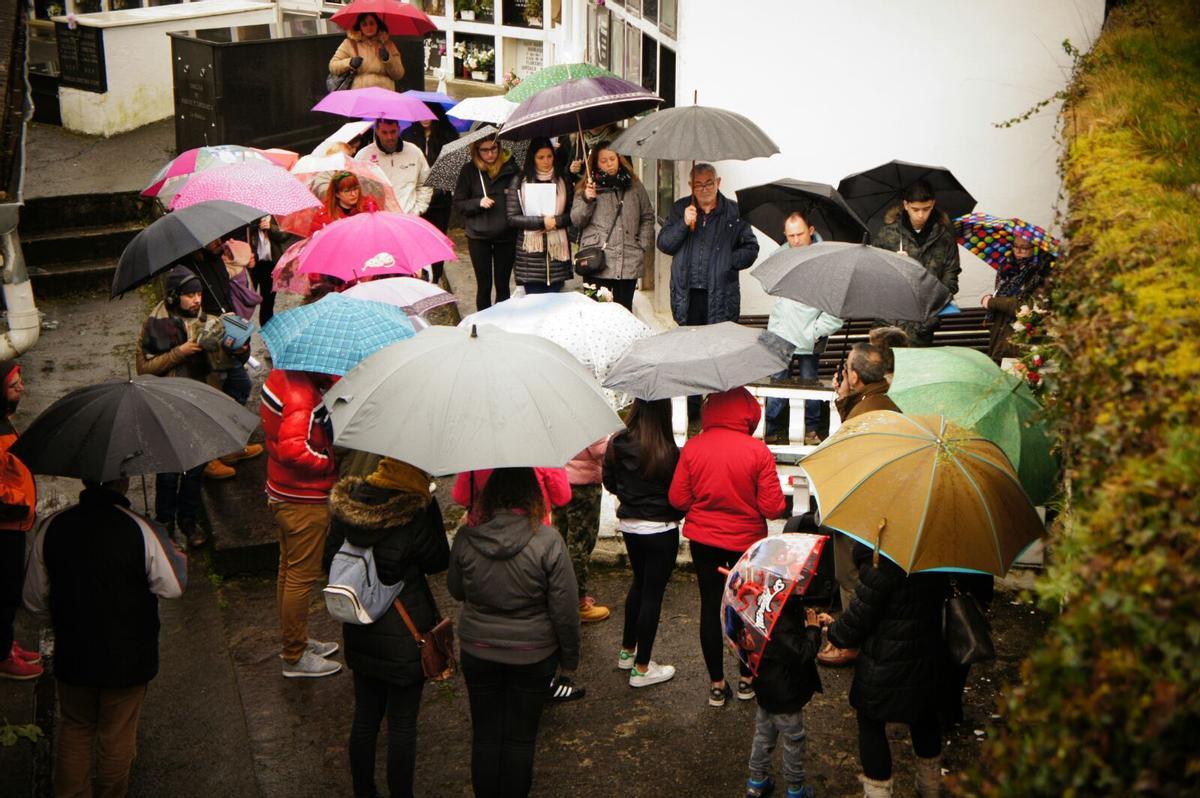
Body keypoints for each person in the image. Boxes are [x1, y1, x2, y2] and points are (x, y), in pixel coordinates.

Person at [23, 476, 186, 796]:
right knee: (116, 732)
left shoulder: (53, 526)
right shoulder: (141, 528)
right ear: (124, 480)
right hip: (129, 654)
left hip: (74, 649)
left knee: (76, 726)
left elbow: (33, 600)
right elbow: (172, 587)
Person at [447, 467, 582, 797]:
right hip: (533, 654)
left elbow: (456, 589)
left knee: (486, 735)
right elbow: (565, 609)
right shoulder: (549, 541)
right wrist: (569, 659)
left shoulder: (467, 537)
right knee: (521, 738)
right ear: (533, 495)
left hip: (478, 649)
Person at [326, 458, 449, 798]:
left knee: (365, 717)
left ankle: (364, 791)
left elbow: (329, 561)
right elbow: (439, 561)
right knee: (402, 724)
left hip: (361, 624)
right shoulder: (416, 510)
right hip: (406, 632)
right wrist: (431, 509)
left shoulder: (349, 503)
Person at [669, 387, 787, 706]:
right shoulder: (757, 451)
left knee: (710, 606)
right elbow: (773, 507)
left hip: (704, 542)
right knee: (747, 608)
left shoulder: (693, 448)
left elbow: (678, 499)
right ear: (748, 414)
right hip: (747, 545)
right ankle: (747, 679)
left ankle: (717, 685)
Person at [824, 545, 947, 798]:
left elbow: (856, 622)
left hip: (882, 665)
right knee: (923, 718)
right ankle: (930, 787)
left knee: (871, 722)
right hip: (925, 659)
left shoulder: (882, 564)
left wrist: (832, 630)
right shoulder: (937, 558)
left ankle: (879, 793)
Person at [818, 343, 901, 669]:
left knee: (852, 575)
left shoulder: (868, 414)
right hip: (872, 505)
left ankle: (851, 644)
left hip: (860, 508)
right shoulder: (875, 400)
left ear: (856, 376)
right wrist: (843, 399)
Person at [657, 164, 759, 421]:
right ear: (691, 186)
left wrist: (727, 261)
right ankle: (692, 410)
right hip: (688, 295)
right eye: (699, 184)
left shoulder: (733, 212)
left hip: (721, 295)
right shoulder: (681, 208)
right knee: (690, 353)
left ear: (719, 182)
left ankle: (717, 409)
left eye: (709, 183)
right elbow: (665, 245)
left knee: (718, 353)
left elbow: (751, 247)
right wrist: (684, 223)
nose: (704, 189)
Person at [261, 368, 342, 679]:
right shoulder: (301, 394)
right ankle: (294, 656)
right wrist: (328, 464)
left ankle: (296, 641)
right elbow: (294, 449)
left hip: (282, 491)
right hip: (303, 499)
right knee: (300, 577)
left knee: (288, 570)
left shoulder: (282, 376)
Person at [135, 266, 219, 546]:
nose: (196, 300)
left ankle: (189, 521)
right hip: (167, 403)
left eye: (199, 294)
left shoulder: (206, 321)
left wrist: (235, 347)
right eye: (189, 295)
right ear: (173, 297)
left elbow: (225, 365)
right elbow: (145, 368)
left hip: (199, 400)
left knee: (195, 469)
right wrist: (178, 353)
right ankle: (165, 524)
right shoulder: (155, 325)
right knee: (169, 471)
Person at [602, 398, 681, 689]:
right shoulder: (669, 451)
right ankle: (643, 667)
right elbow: (679, 493)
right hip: (661, 527)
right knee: (652, 594)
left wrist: (629, 496)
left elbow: (608, 480)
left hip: (630, 525)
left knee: (639, 583)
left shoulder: (618, 442)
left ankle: (627, 650)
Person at [764, 212, 845, 445]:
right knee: (776, 384)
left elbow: (836, 308)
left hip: (808, 336)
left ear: (811, 230)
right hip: (781, 333)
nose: (796, 240)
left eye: (799, 234)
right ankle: (769, 428)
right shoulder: (784, 255)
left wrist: (815, 331)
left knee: (810, 384)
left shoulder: (827, 261)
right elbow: (769, 279)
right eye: (790, 236)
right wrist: (785, 250)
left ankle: (811, 430)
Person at [743, 599, 823, 798]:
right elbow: (802, 653)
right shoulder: (779, 617)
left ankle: (756, 781)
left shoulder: (754, 607)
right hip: (786, 692)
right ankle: (795, 789)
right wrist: (812, 630)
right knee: (794, 741)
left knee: (763, 735)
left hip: (764, 688)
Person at [568, 141, 656, 311]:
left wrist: (642, 245)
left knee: (624, 314)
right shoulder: (586, 187)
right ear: (595, 163)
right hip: (596, 263)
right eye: (603, 160)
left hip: (628, 262)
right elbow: (576, 220)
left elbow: (647, 216)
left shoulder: (635, 185)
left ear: (619, 159)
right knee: (596, 315)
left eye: (612, 159)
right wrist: (588, 199)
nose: (609, 164)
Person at [872, 180, 960, 346]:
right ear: (905, 205)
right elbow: (872, 275)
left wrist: (930, 316)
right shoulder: (887, 235)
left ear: (933, 204)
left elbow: (950, 280)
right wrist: (895, 265)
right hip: (888, 323)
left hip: (923, 325)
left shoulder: (945, 238)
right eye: (915, 209)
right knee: (886, 371)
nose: (921, 215)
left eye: (926, 209)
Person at [0, 361, 42, 680]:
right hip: (5, 525)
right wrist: (21, 502)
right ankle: (3, 657)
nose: (22, 388)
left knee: (10, 590)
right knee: (4, 592)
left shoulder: (4, 421)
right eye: (15, 385)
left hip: (14, 523)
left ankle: (6, 644)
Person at [453, 136, 520, 310]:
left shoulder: (510, 168)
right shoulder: (469, 171)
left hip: (505, 235)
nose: (490, 154)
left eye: (493, 149)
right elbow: (459, 203)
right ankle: (483, 323)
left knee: (503, 284)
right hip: (478, 236)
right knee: (484, 285)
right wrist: (477, 203)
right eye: (484, 150)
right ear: (476, 151)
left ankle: (503, 321)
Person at [555, 439, 611, 624]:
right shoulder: (588, 416)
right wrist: (611, 438)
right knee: (580, 543)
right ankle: (578, 602)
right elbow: (599, 450)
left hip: (561, 480)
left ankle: (559, 596)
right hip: (583, 485)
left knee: (560, 540)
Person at [507, 138, 572, 295]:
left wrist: (555, 221)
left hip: (557, 255)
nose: (546, 161)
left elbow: (572, 214)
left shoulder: (562, 180)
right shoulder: (520, 181)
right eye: (540, 157)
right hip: (530, 258)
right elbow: (512, 217)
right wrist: (542, 222)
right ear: (532, 158)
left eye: (549, 156)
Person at [402, 110, 460, 284]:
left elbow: (455, 167)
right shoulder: (408, 136)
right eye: (421, 114)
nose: (424, 118)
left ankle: (436, 276)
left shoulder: (448, 135)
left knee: (437, 238)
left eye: (428, 113)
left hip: (440, 197)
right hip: (418, 196)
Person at [981, 232, 1052, 362]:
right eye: (1015, 246)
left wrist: (992, 302)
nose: (1018, 250)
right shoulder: (1006, 269)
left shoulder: (1041, 274)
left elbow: (1026, 308)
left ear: (1034, 249)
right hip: (999, 337)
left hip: (1022, 340)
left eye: (1024, 247)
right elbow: (1002, 296)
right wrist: (994, 297)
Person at [356, 120, 433, 217]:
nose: (390, 137)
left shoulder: (414, 151)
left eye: (393, 132)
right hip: (377, 219)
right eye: (384, 132)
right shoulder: (364, 155)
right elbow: (356, 187)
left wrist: (418, 209)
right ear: (377, 131)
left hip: (408, 218)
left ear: (399, 129)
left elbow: (425, 183)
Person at [328, 13, 405, 91]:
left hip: (384, 95)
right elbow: (333, 66)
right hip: (360, 95)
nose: (369, 27)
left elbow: (399, 74)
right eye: (364, 24)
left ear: (377, 25)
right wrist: (350, 63)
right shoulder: (350, 44)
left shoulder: (388, 44)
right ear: (360, 27)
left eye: (372, 23)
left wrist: (388, 60)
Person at [250, 216, 294, 327]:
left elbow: (285, 235)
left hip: (270, 264)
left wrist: (271, 227)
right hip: (251, 264)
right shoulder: (248, 216)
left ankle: (266, 335)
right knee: (246, 301)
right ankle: (243, 339)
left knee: (268, 303)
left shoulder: (277, 215)